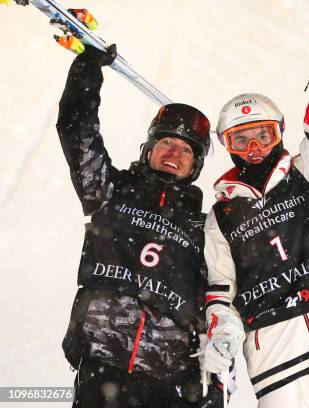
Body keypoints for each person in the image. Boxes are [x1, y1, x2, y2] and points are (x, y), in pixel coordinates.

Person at [194, 3, 309, 407]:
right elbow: (221, 290)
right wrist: (223, 331)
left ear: (281, 133)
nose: (254, 149)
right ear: (227, 146)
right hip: (275, 363)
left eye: (264, 135)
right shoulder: (221, 216)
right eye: (241, 140)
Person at [56, 44, 221, 407]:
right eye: (166, 142)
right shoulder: (110, 193)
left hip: (164, 377)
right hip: (102, 363)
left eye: (185, 149)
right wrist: (88, 70)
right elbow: (77, 130)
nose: (174, 153)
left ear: (195, 166)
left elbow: (215, 305)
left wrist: (214, 385)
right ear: (149, 149)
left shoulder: (204, 228)